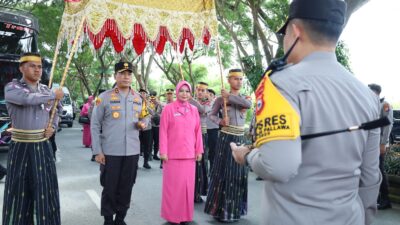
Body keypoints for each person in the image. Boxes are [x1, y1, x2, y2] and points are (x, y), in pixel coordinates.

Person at [230, 1, 382, 224]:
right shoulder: (366, 95)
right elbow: (370, 177)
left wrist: (247, 155)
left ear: (295, 31)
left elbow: (277, 166)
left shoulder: (279, 85)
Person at [3, 52, 64, 225]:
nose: (37, 70)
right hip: (20, 146)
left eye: (39, 66)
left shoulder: (46, 89)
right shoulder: (12, 87)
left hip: (43, 146)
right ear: (21, 68)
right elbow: (27, 99)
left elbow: (56, 111)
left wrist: (53, 127)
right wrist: (53, 96)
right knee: (19, 192)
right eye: (32, 66)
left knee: (46, 191)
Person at [91, 61, 149, 225]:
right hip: (110, 152)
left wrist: (143, 123)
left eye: (129, 74)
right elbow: (95, 125)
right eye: (122, 73)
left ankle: (120, 219)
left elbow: (146, 117)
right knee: (109, 187)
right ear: (115, 75)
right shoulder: (104, 98)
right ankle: (108, 219)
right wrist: (97, 151)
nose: (126, 77)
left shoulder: (138, 98)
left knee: (127, 187)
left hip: (132, 151)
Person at [204, 69, 252, 222]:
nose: (239, 81)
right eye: (236, 79)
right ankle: (220, 211)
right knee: (223, 172)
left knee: (239, 174)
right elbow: (210, 114)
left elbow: (248, 105)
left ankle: (235, 210)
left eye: (241, 79)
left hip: (240, 137)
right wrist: (220, 121)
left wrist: (229, 96)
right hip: (225, 137)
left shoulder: (244, 97)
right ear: (229, 80)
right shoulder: (220, 100)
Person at [159, 81, 203, 225]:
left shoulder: (194, 110)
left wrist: (199, 150)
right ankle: (172, 216)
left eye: (187, 91)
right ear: (177, 92)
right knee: (173, 188)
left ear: (191, 94)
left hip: (189, 156)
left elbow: (198, 132)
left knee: (187, 188)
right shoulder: (168, 109)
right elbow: (163, 131)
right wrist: (163, 151)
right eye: (182, 91)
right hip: (172, 156)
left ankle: (185, 215)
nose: (184, 94)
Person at [368, 84, 394, 210]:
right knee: (373, 170)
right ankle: (378, 198)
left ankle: (386, 199)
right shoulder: (372, 104)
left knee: (379, 170)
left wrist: (383, 144)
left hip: (379, 144)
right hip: (372, 144)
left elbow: (388, 125)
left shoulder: (385, 105)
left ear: (376, 93)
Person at [189, 82, 209, 202]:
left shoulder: (208, 102)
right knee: (191, 163)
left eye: (203, 90)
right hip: (190, 135)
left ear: (206, 92)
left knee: (200, 163)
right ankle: (190, 190)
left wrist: (192, 100)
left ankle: (198, 192)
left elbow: (202, 110)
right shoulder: (190, 101)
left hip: (202, 135)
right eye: (199, 90)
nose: (200, 92)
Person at [139, 89, 152, 169]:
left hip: (148, 128)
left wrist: (147, 107)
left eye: (144, 93)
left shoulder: (149, 104)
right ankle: (135, 163)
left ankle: (145, 162)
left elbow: (154, 113)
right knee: (137, 146)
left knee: (147, 146)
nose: (143, 94)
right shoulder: (136, 103)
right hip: (138, 128)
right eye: (141, 93)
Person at [206, 88, 219, 169]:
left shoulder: (216, 104)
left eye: (211, 95)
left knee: (212, 151)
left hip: (213, 130)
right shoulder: (203, 103)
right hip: (203, 130)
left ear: (214, 96)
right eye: (207, 94)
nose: (208, 96)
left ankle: (212, 169)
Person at [149, 91, 162, 161]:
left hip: (157, 126)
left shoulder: (159, 104)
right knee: (150, 141)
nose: (152, 98)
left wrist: (157, 103)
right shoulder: (148, 104)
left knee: (157, 141)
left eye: (154, 96)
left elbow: (161, 112)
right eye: (151, 96)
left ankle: (155, 154)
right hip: (150, 125)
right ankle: (149, 154)